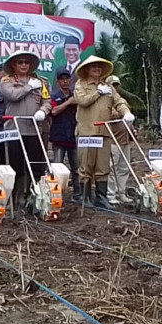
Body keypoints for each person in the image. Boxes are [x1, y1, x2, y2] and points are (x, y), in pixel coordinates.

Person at [74, 55, 134, 209]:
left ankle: (101, 198)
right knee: (86, 166)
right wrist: (97, 93)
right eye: (93, 67)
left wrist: (126, 112)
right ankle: (85, 197)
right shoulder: (81, 84)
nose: (97, 69)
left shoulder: (108, 87)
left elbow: (119, 101)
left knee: (103, 167)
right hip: (87, 132)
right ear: (87, 69)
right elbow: (82, 101)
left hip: (104, 133)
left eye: (99, 67)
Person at [0, 51, 52, 208]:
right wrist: (28, 87)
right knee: (15, 165)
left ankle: (32, 195)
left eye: (26, 62)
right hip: (14, 130)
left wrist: (43, 110)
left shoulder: (41, 82)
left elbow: (47, 100)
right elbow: (12, 95)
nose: (23, 65)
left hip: (34, 129)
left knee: (35, 164)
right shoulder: (7, 81)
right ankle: (15, 197)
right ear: (14, 65)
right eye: (20, 62)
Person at [50, 67, 81, 202]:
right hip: (58, 137)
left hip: (74, 137)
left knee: (77, 169)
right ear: (57, 82)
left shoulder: (77, 96)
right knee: (57, 168)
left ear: (71, 80)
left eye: (67, 79)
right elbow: (54, 111)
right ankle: (54, 194)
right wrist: (68, 102)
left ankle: (78, 195)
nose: (65, 82)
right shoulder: (54, 96)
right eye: (62, 79)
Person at [105, 75, 134, 206]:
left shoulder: (122, 100)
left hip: (124, 139)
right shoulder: (105, 101)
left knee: (124, 168)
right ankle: (111, 194)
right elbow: (112, 114)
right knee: (112, 168)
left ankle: (121, 192)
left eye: (116, 85)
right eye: (113, 85)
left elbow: (126, 112)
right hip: (112, 139)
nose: (115, 87)